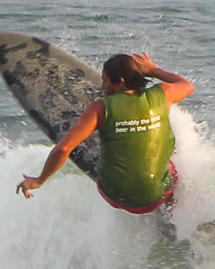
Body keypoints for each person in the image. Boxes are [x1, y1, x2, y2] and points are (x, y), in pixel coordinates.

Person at [17, 52, 194, 215]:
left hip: (118, 197)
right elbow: (186, 85)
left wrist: (39, 180)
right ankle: (170, 211)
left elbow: (64, 149)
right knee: (172, 166)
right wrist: (154, 70)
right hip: (158, 195)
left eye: (105, 81)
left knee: (99, 136)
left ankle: (101, 133)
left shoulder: (99, 109)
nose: (102, 87)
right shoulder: (163, 94)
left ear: (120, 82)